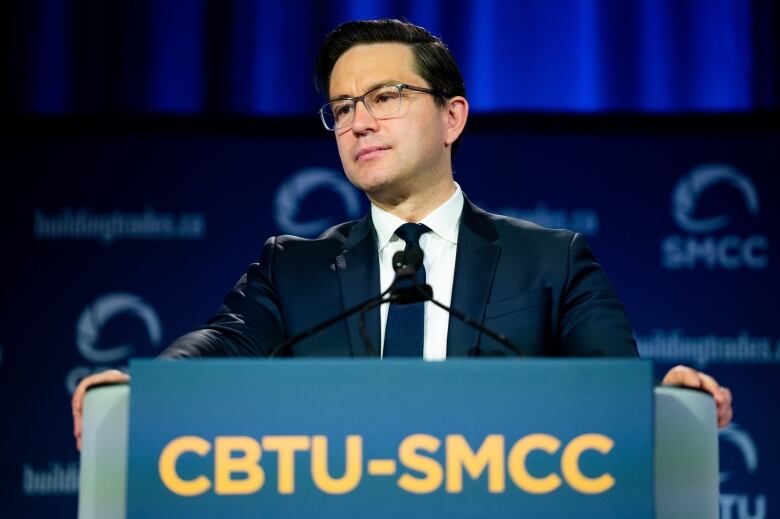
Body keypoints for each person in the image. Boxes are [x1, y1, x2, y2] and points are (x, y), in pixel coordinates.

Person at [72, 19, 732, 450]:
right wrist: (147, 388)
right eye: (342, 108)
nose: (358, 122)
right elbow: (220, 346)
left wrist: (668, 405)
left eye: (385, 96)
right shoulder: (292, 269)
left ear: (452, 117)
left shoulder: (551, 263)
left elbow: (610, 392)